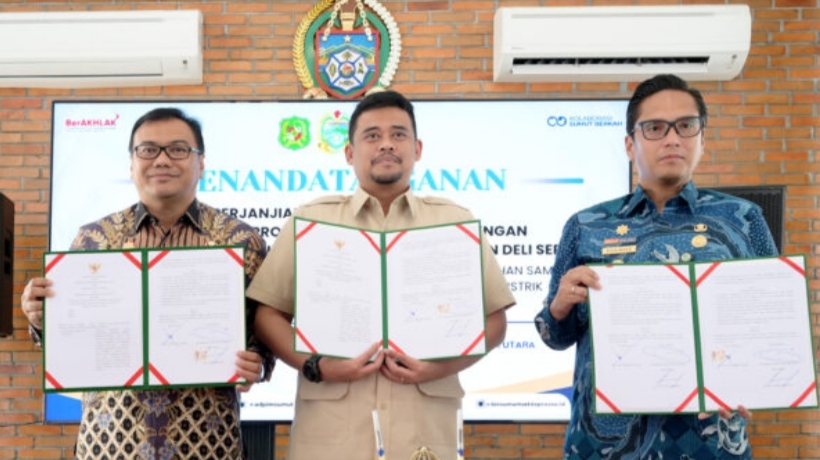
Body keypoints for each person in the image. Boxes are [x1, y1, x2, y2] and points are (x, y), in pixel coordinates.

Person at [247, 90, 516, 460]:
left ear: (417, 149)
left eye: (398, 134)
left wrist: (439, 367)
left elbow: (495, 321)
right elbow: (267, 316)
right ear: (349, 153)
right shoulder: (310, 222)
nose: (386, 144)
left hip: (425, 429)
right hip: (331, 434)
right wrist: (318, 366)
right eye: (372, 135)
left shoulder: (455, 222)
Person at [534, 74, 777, 460]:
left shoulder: (744, 220)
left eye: (686, 125)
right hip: (603, 446)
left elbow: (771, 325)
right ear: (630, 144)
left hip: (708, 444)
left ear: (702, 138)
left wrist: (752, 380)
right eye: (655, 128)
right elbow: (554, 336)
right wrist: (560, 307)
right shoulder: (585, 226)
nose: (672, 138)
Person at [20, 107, 273, 460]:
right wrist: (40, 318)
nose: (162, 160)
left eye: (178, 149)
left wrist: (257, 363)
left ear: (201, 163)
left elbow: (265, 333)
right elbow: (71, 340)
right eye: (148, 150)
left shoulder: (242, 241)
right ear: (131, 164)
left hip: (206, 442)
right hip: (110, 442)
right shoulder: (93, 240)